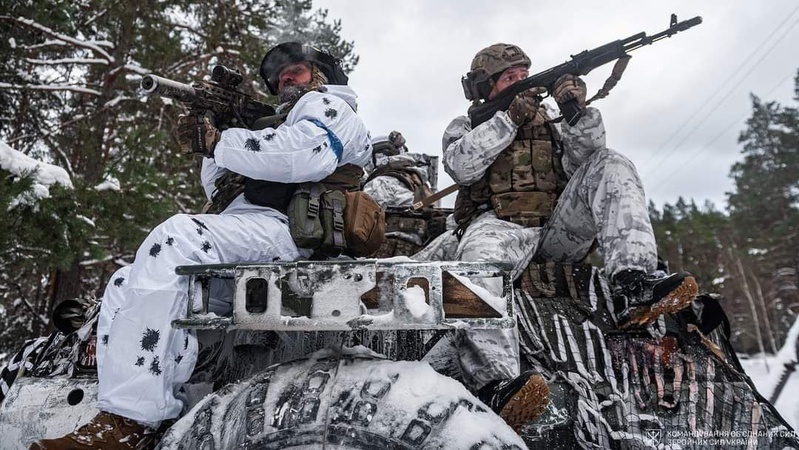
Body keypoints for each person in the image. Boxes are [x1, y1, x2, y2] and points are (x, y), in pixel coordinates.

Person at [31, 42, 372, 450]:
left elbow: (303, 154)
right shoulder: (272, 125)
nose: (285, 79)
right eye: (280, 77)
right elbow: (220, 187)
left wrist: (219, 140)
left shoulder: (330, 106)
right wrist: (215, 128)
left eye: (294, 71)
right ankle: (135, 416)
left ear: (322, 73)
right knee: (125, 283)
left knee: (174, 238)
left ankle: (130, 421)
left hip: (292, 233)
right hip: (247, 231)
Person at [438, 43, 699, 430]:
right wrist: (507, 121)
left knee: (611, 162)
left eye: (524, 75)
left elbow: (585, 163)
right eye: (509, 78)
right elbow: (461, 166)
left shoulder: (550, 120)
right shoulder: (466, 125)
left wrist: (577, 111)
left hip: (557, 228)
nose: (521, 83)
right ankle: (496, 384)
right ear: (485, 87)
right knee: (473, 265)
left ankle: (634, 281)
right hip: (499, 225)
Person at [362, 131, 445, 257]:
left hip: (387, 254)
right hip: (421, 254)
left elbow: (363, 222)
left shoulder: (380, 182)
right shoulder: (421, 185)